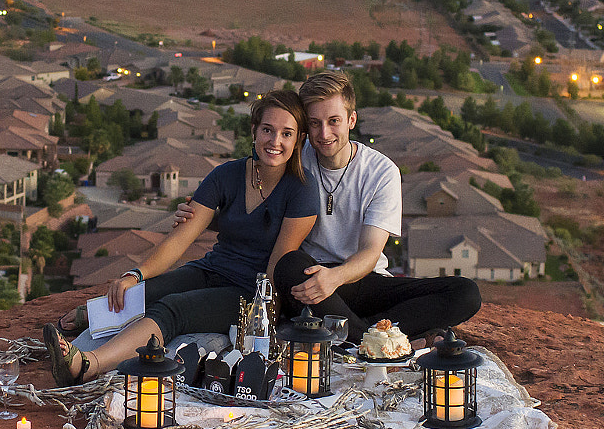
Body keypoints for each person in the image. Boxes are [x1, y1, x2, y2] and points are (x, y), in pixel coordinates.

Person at [175, 70, 479, 346]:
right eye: (315, 124)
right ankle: (378, 344)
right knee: (289, 265)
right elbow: (256, 209)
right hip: (304, 280)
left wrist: (334, 278)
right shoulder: (291, 156)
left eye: (333, 121)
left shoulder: (380, 171)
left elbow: (371, 252)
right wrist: (202, 217)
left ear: (351, 120)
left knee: (465, 293)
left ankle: (358, 338)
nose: (324, 134)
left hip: (358, 281)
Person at [46, 90, 318, 385]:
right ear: (254, 130)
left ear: (299, 140)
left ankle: (89, 364)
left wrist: (259, 316)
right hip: (212, 269)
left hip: (250, 291)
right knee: (145, 293)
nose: (275, 142)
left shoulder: (301, 191)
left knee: (173, 308)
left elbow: (276, 268)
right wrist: (135, 275)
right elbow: (180, 238)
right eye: (268, 130)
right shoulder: (226, 175)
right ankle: (95, 317)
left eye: (286, 134)